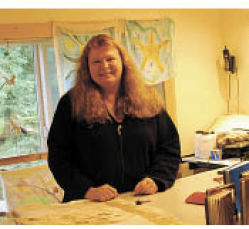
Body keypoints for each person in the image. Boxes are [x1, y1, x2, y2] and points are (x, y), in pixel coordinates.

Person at [47, 34, 181, 203]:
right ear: (87, 67)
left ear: (123, 63)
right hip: (90, 205)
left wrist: (156, 179)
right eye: (96, 61)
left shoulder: (148, 99)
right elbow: (58, 157)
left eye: (110, 59)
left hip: (142, 201)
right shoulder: (71, 104)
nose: (104, 66)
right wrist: (87, 189)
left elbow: (169, 147)